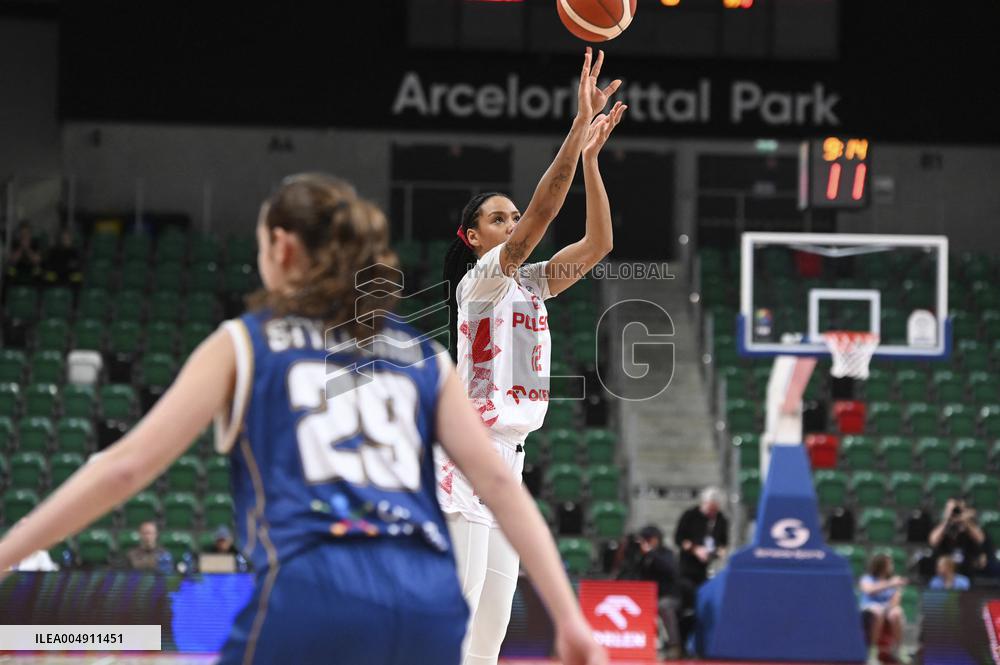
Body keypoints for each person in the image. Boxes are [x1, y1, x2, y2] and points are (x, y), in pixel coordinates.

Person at [0, 173, 605, 665]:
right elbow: (499, 488)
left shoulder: (246, 344)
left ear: (281, 251)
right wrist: (569, 619)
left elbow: (124, 468)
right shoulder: (420, 359)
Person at [437, 47, 626, 665]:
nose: (512, 222)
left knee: (491, 628)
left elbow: (598, 243)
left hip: (509, 464)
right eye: (499, 218)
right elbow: (546, 211)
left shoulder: (531, 282)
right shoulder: (482, 281)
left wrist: (592, 161)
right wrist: (577, 127)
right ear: (474, 238)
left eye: (511, 216)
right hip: (466, 456)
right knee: (456, 614)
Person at [636, 526, 683, 658]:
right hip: (648, 597)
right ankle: (645, 643)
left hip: (669, 596)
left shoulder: (666, 553)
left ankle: (674, 645)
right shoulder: (642, 557)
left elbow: (670, 571)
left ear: (655, 539)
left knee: (663, 606)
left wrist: (652, 554)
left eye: (647, 540)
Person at [674, 487, 729, 590]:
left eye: (715, 509)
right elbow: (679, 539)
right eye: (710, 508)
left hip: (710, 565)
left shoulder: (721, 520)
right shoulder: (690, 516)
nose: (712, 513)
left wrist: (717, 552)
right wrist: (695, 549)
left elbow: (723, 543)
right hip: (688, 566)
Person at [859, 553, 908, 665]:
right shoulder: (866, 579)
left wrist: (890, 606)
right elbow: (869, 590)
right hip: (869, 608)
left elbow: (896, 601)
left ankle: (898, 649)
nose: (892, 566)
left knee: (897, 613)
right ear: (881, 565)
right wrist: (890, 584)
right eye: (889, 563)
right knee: (878, 610)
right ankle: (873, 650)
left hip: (887, 608)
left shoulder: (894, 580)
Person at [929, 498, 987, 579]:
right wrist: (947, 520)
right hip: (944, 574)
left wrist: (965, 521)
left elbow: (980, 539)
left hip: (966, 571)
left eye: (957, 509)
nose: (955, 512)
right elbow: (933, 541)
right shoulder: (940, 525)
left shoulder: (969, 525)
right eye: (952, 509)